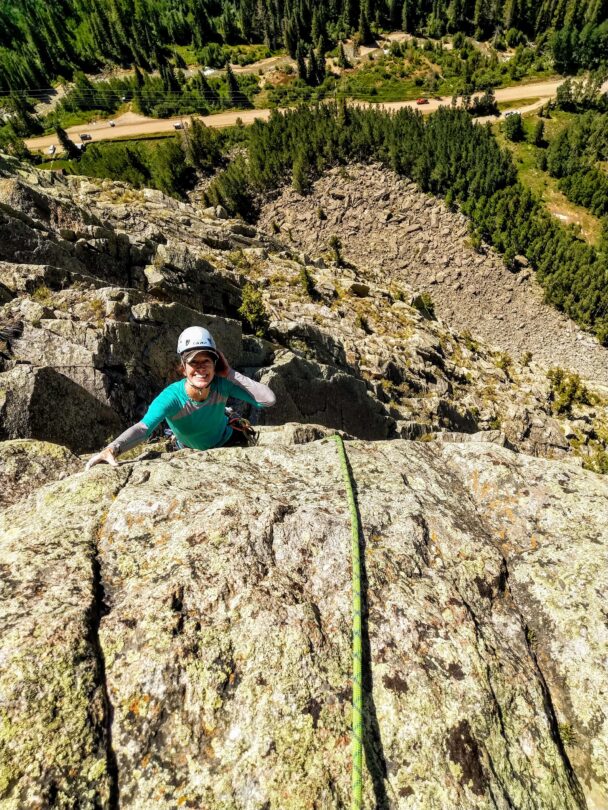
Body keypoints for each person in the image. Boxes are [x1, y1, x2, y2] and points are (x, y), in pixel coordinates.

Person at [85, 326, 275, 469]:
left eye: (206, 361)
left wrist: (230, 373)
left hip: (228, 442)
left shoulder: (222, 385)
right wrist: (113, 448)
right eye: (194, 363)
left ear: (215, 365)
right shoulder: (172, 397)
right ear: (183, 368)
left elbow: (267, 400)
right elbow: (143, 428)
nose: (200, 368)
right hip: (187, 450)